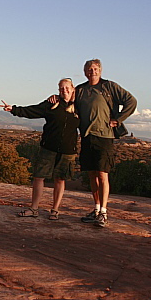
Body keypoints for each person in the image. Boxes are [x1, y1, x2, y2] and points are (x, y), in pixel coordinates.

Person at [50, 59, 137, 227]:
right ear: (84, 72)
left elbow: (131, 101)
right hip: (87, 136)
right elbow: (67, 98)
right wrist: (54, 97)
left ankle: (103, 212)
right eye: (89, 69)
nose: (92, 72)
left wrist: (118, 119)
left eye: (95, 69)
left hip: (105, 136)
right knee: (91, 174)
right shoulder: (81, 90)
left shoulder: (109, 87)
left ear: (100, 70)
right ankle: (96, 209)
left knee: (103, 174)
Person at [0, 78, 80, 220]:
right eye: (61, 88)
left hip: (67, 151)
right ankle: (34, 208)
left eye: (67, 88)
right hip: (48, 147)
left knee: (60, 180)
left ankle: (55, 210)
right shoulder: (52, 103)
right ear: (58, 90)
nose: (64, 90)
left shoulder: (80, 106)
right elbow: (33, 111)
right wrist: (14, 109)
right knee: (39, 177)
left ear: (73, 88)